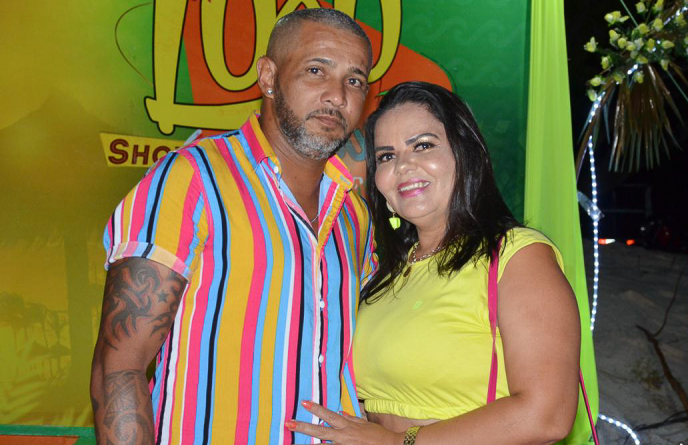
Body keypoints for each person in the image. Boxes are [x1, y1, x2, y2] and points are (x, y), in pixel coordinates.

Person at [90, 8, 377, 445]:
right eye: (316, 70)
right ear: (268, 77)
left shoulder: (355, 214)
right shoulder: (191, 179)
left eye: (354, 80)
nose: (337, 96)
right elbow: (119, 365)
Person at [286, 82, 582, 444]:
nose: (403, 165)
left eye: (423, 145)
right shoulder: (384, 274)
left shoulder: (516, 255)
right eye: (386, 156)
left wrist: (398, 442)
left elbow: (547, 415)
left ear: (465, 154)